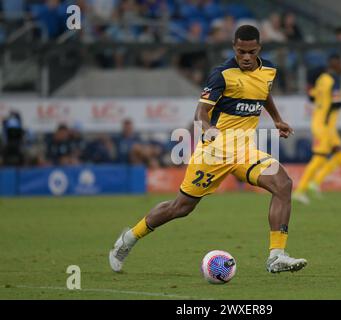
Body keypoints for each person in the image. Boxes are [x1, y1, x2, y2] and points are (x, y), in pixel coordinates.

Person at [109, 25, 307, 274]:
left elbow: (263, 93)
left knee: (283, 184)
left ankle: (276, 255)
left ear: (259, 49)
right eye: (240, 51)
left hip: (245, 151)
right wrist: (207, 128)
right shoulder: (221, 74)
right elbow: (200, 112)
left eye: (251, 51)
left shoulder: (268, 70)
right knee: (180, 208)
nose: (245, 57)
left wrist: (277, 119)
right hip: (214, 151)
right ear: (233, 47)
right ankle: (128, 238)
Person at [292, 54, 341, 204]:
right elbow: (336, 103)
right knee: (318, 158)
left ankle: (315, 183)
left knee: (340, 156)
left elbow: (311, 97)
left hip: (324, 125)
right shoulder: (334, 79)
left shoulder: (321, 79)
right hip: (324, 127)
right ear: (335, 64)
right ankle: (299, 191)